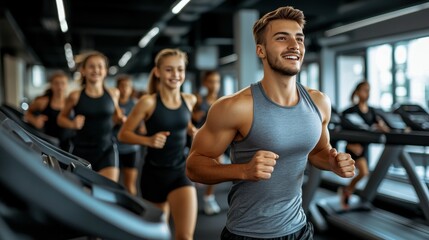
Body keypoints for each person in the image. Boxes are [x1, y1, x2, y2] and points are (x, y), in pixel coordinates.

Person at [186, 6, 355, 239]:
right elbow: (194, 165)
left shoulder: (319, 102)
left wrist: (333, 162)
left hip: (299, 228)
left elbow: (318, 152)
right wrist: (243, 170)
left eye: (299, 39)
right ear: (261, 50)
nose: (294, 45)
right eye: (281, 38)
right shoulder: (235, 107)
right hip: (248, 233)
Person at [118, 48, 198, 240]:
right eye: (169, 70)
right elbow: (123, 134)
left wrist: (192, 131)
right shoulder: (148, 102)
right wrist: (148, 140)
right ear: (158, 72)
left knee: (185, 236)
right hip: (153, 175)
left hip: (180, 172)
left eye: (180, 69)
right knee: (158, 236)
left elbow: (184, 123)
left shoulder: (190, 100)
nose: (176, 75)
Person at [58, 51, 125, 182]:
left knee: (108, 191)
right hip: (81, 151)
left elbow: (117, 114)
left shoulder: (113, 93)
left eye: (100, 66)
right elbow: (61, 119)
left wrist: (121, 119)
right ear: (83, 70)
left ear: (105, 71)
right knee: (84, 194)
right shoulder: (75, 96)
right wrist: (72, 124)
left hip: (106, 149)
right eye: (91, 66)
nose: (96, 70)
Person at [339, 81, 390, 209]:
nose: (367, 93)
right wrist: (350, 145)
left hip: (365, 147)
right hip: (353, 147)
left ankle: (347, 191)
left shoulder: (372, 111)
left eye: (369, 90)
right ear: (357, 92)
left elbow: (382, 126)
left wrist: (383, 127)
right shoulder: (349, 111)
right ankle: (347, 191)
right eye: (364, 90)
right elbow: (344, 130)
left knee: (363, 173)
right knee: (364, 172)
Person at [191, 70, 224, 215]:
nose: (214, 85)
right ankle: (188, 199)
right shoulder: (198, 100)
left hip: (216, 141)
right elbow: (188, 119)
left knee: (218, 167)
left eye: (217, 82)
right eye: (211, 81)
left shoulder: (222, 101)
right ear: (205, 83)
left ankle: (208, 197)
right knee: (192, 173)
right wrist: (194, 116)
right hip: (197, 142)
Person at [24, 70, 74, 151]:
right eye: (56, 83)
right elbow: (27, 114)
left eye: (63, 83)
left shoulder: (71, 102)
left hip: (67, 145)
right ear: (51, 85)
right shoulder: (43, 102)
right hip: (47, 143)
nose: (60, 86)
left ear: (67, 85)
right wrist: (35, 120)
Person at [113, 74, 141, 195]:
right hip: (114, 147)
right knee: (113, 183)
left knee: (130, 185)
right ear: (117, 88)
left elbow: (141, 126)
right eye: (122, 86)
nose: (125, 89)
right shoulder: (112, 103)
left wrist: (128, 123)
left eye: (127, 86)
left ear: (131, 89)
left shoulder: (136, 104)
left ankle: (132, 212)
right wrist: (115, 120)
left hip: (131, 148)